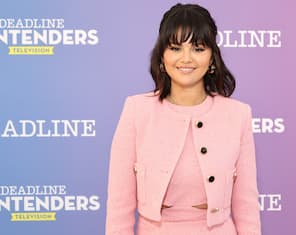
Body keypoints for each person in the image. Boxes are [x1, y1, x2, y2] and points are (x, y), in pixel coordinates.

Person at [105, 3, 261, 235]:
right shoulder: (137, 110)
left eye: (198, 48)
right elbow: (119, 208)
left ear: (212, 58)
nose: (186, 58)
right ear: (162, 56)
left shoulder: (238, 114)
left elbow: (247, 207)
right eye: (176, 48)